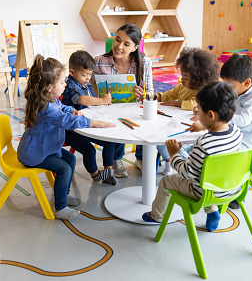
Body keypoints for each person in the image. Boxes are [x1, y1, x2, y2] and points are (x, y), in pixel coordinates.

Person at [17, 55, 115, 220]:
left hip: (46, 148)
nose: (65, 85)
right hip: (34, 154)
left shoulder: (51, 100)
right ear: (49, 87)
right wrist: (93, 122)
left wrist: (72, 110)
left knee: (70, 159)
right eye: (62, 82)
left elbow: (64, 108)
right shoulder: (45, 108)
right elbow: (67, 121)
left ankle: (62, 194)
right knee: (65, 168)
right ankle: (60, 207)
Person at [142, 82, 243, 231]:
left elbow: (186, 173)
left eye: (199, 112)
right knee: (210, 174)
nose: (197, 114)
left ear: (210, 115)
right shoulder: (236, 132)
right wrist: (204, 125)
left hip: (202, 192)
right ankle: (213, 211)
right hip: (230, 187)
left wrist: (174, 154)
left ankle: (156, 216)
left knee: (166, 181)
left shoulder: (204, 143)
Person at [190, 53, 252, 209]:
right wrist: (205, 109)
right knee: (200, 148)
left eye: (230, 85)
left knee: (212, 152)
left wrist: (212, 119)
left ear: (247, 82)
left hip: (248, 144)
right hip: (233, 135)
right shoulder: (237, 90)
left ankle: (231, 190)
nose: (227, 88)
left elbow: (243, 120)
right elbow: (223, 106)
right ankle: (206, 183)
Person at [91, 23, 154, 177]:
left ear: (134, 47)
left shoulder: (144, 62)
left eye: (126, 44)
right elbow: (89, 85)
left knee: (147, 119)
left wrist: (143, 94)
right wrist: (99, 94)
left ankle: (141, 158)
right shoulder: (99, 61)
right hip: (108, 109)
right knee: (115, 121)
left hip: (136, 109)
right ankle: (116, 159)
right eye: (117, 40)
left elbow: (151, 92)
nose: (119, 46)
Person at [155, 47, 220, 174]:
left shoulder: (203, 92)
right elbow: (168, 95)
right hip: (176, 124)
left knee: (164, 144)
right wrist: (157, 97)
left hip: (191, 128)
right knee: (161, 143)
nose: (182, 80)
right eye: (181, 76)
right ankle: (172, 160)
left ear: (198, 78)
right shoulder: (181, 87)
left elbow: (193, 103)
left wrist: (177, 103)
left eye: (185, 77)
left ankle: (185, 165)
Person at [62, 50, 117, 185]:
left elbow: (92, 101)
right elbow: (81, 100)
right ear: (72, 72)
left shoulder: (86, 85)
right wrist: (101, 101)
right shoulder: (70, 85)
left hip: (88, 125)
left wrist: (103, 103)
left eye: (90, 74)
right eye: (84, 74)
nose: (88, 78)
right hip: (71, 129)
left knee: (110, 142)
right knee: (89, 150)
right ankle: (96, 174)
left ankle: (108, 172)